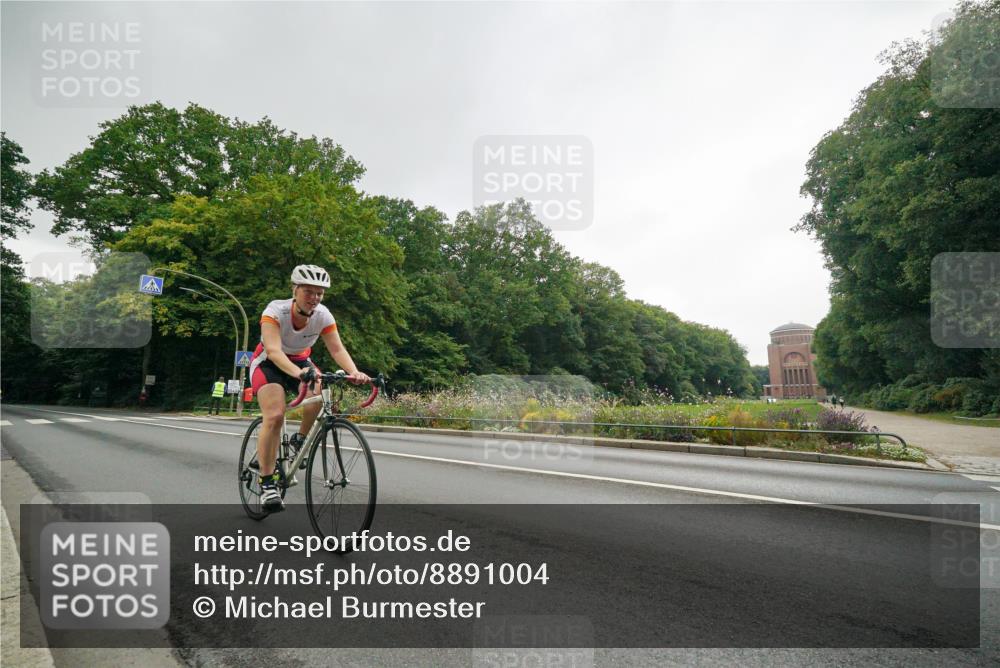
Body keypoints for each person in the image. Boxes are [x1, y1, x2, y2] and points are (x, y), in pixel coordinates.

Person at [249, 264, 371, 513]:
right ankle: (267, 482)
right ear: (295, 290)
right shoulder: (275, 311)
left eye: (320, 293)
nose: (315, 298)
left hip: (301, 361)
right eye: (309, 291)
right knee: (274, 415)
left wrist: (354, 371)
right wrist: (298, 373)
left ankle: (300, 441)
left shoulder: (323, 316)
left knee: (319, 394)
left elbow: (337, 349)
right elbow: (273, 350)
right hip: (269, 362)